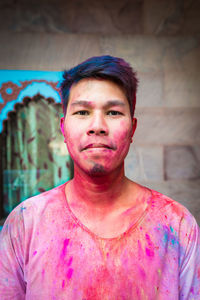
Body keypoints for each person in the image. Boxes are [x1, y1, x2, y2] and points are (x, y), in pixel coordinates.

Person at [0, 55, 199, 300]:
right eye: (82, 111)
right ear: (63, 128)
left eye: (113, 112)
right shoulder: (25, 224)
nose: (97, 126)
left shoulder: (177, 225)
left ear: (133, 128)